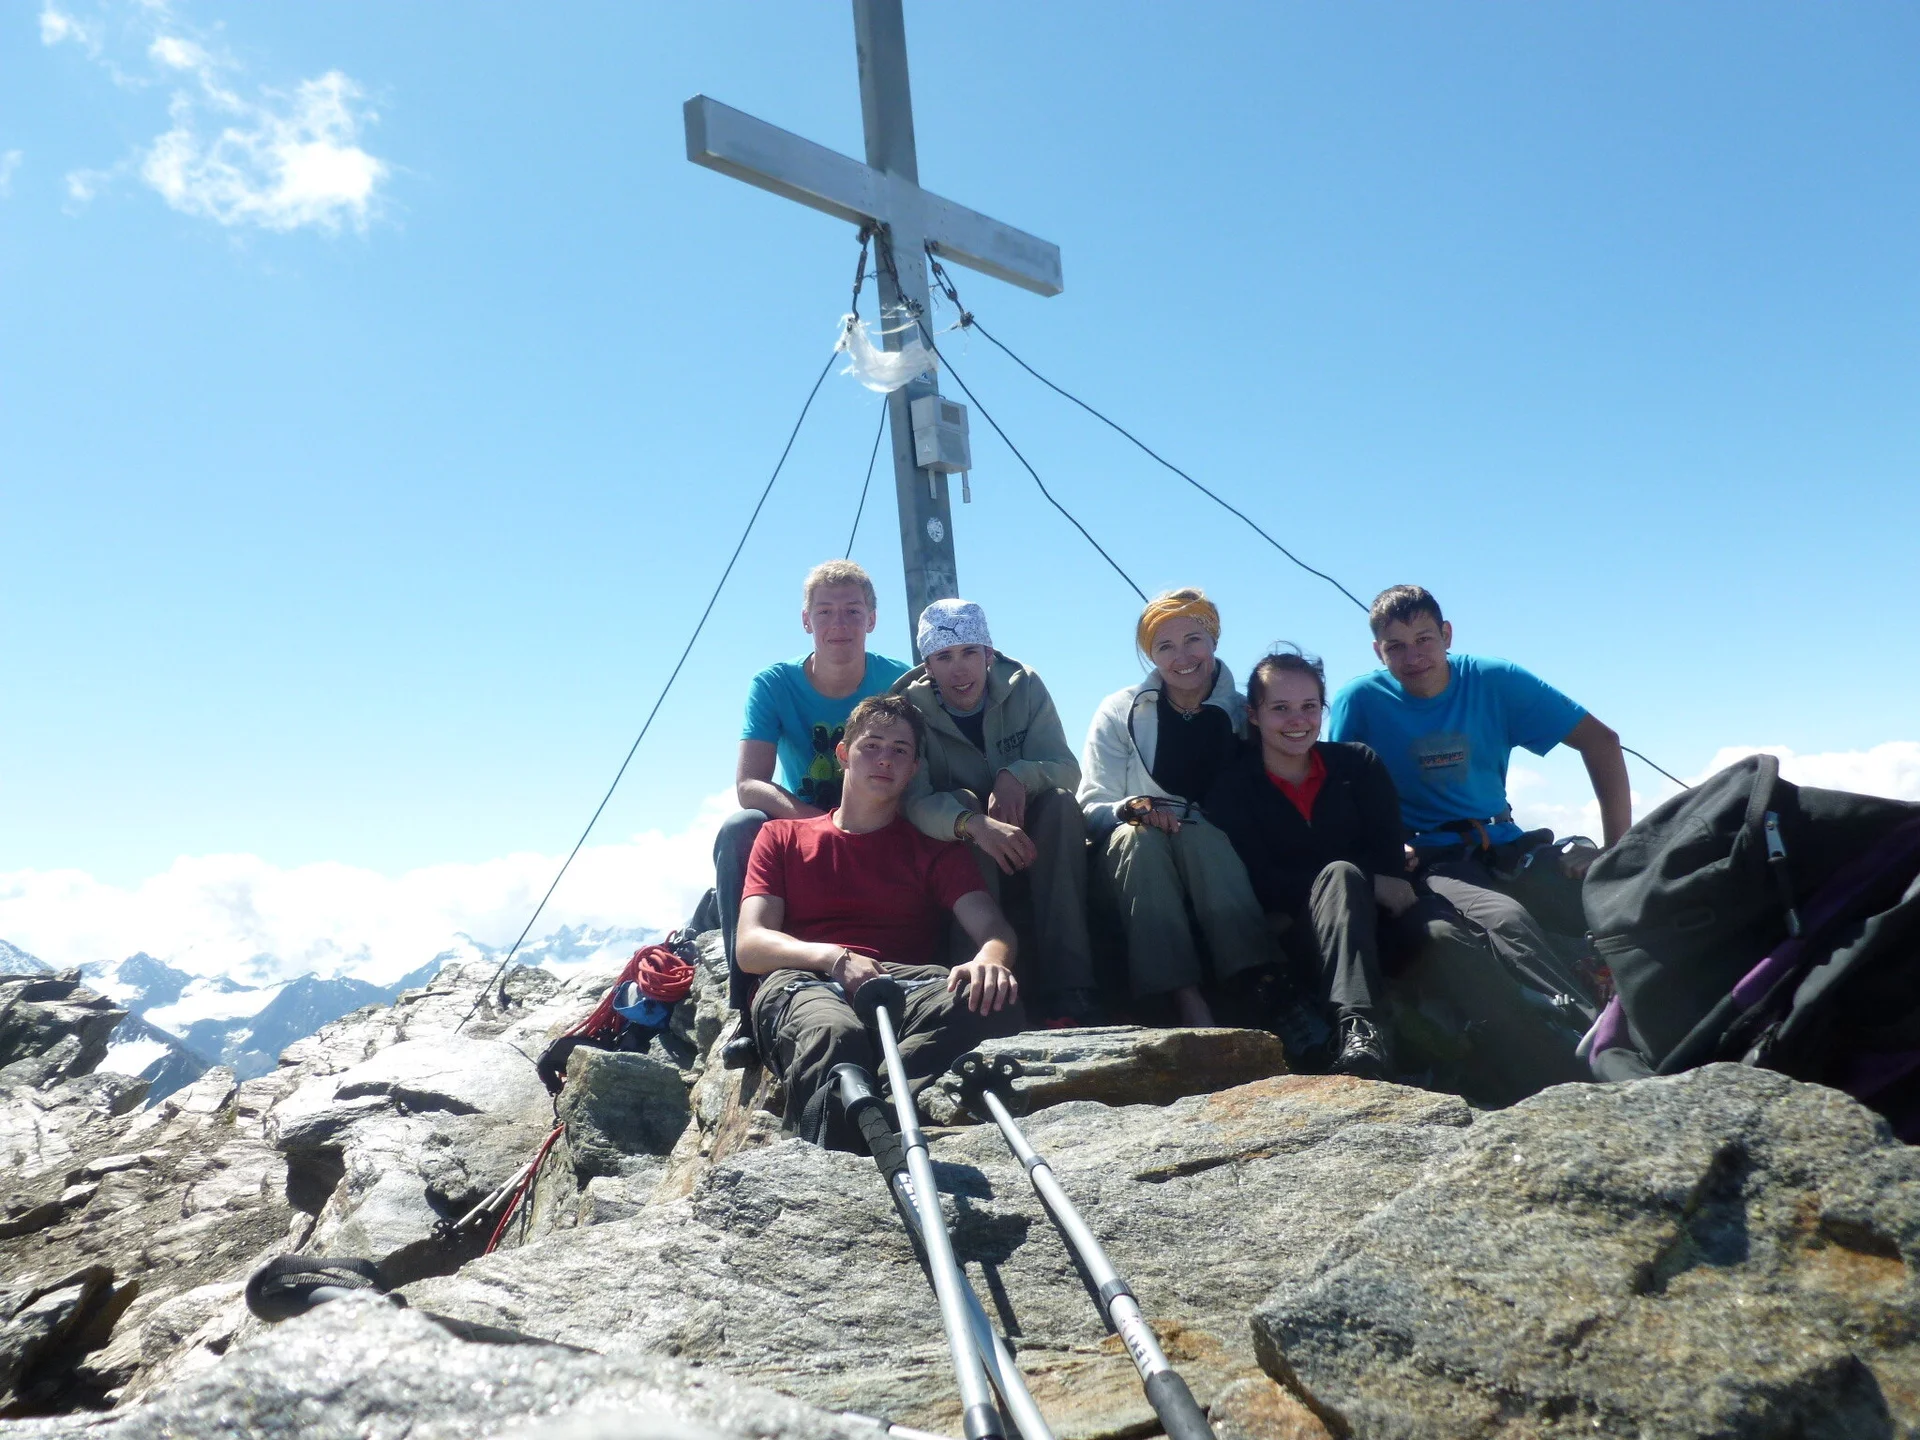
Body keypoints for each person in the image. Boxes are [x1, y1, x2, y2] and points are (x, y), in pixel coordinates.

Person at [736, 693, 1024, 1148]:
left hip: (901, 983)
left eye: (900, 750)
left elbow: (994, 930)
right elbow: (751, 946)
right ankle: (835, 1147)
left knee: (988, 1000)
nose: (885, 760)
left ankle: (877, 1114)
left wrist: (989, 960)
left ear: (914, 770)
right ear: (844, 754)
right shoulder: (782, 836)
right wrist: (834, 958)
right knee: (835, 1033)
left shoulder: (934, 849)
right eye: (872, 745)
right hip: (804, 978)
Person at [1327, 584, 1630, 1003]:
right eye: (1396, 646)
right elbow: (1336, 794)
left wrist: (1614, 852)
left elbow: (1601, 742)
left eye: (1424, 640)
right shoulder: (1360, 701)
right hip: (1430, 856)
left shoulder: (1494, 679)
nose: (1413, 657)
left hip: (1507, 844)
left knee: (1614, 899)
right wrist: (1383, 855)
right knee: (1507, 921)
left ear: (1447, 635)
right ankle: (1581, 1038)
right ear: (1379, 651)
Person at [713, 561, 911, 1011]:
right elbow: (749, 785)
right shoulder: (773, 684)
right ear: (806, 620)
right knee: (739, 828)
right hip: (801, 814)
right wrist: (817, 822)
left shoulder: (898, 681)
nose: (838, 624)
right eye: (824, 612)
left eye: (852, 611)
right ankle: (745, 1001)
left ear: (872, 619)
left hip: (881, 810)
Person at [892, 599, 1096, 1026]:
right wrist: (973, 824)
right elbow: (915, 800)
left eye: (969, 652)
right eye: (944, 657)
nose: (959, 669)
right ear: (928, 664)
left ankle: (1071, 989)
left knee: (1059, 802)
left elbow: (1066, 768)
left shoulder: (1025, 685)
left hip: (1029, 835)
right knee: (962, 800)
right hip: (962, 846)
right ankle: (977, 990)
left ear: (989, 654)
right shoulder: (907, 708)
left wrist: (1015, 775)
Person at [1206, 648, 1406, 1078]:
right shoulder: (1234, 787)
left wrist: (1367, 885)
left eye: (1309, 707)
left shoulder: (1358, 765)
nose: (1298, 720)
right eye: (1281, 708)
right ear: (1253, 715)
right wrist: (1359, 884)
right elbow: (1256, 882)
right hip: (1295, 944)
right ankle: (1358, 1028)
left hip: (1378, 927)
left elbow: (1392, 861)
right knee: (1340, 873)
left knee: (1444, 935)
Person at [1078, 587, 1273, 1027]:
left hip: (1213, 852)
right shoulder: (1117, 711)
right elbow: (1091, 802)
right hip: (1131, 857)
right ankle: (1182, 996)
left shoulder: (1248, 713)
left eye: (1193, 640)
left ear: (1214, 642)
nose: (1182, 656)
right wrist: (1133, 807)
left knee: (1201, 836)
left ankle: (1255, 980)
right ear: (1151, 656)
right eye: (1165, 646)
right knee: (1139, 838)